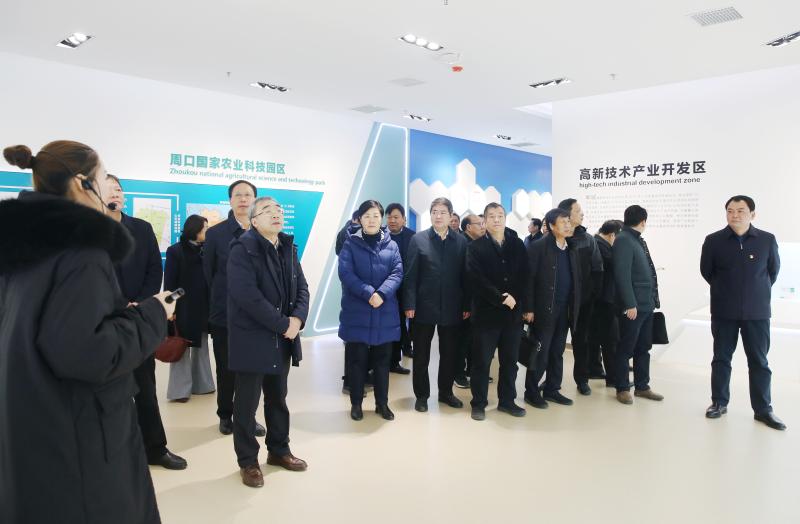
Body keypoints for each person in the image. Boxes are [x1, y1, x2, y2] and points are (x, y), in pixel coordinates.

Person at [0, 141, 175, 523]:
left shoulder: (19, 250)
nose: (108, 189)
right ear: (82, 184)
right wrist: (153, 313)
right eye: (103, 178)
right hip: (80, 433)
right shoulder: (82, 252)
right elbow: (89, 352)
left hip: (33, 417)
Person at [227, 196, 310, 488]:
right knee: (246, 404)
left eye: (279, 209)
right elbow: (247, 296)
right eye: (267, 210)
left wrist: (297, 319)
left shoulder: (287, 247)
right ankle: (248, 461)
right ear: (254, 220)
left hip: (282, 339)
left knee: (278, 398)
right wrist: (284, 324)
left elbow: (302, 288)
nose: (276, 214)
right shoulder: (242, 249)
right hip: (253, 337)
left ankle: (279, 450)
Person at [107, 175, 187, 470]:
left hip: (138, 319)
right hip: (103, 320)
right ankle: (113, 453)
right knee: (107, 391)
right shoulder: (87, 232)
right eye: (108, 189)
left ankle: (155, 448)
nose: (115, 194)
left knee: (145, 387)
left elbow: (155, 268)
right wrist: (119, 304)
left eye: (118, 189)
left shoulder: (141, 228)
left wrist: (140, 304)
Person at [700, 196, 785, 430]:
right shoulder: (714, 240)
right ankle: (719, 402)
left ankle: (763, 410)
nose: (734, 215)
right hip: (724, 311)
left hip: (757, 312)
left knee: (759, 361)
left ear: (752, 214)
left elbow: (772, 271)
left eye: (740, 210)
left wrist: (753, 293)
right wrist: (726, 291)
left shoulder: (767, 240)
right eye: (730, 211)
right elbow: (707, 271)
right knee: (721, 359)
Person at [203, 180, 265, 437]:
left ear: (255, 200)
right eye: (238, 195)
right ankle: (225, 415)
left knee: (252, 370)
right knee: (226, 369)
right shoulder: (216, 234)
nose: (243, 199)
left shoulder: (263, 231)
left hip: (257, 316)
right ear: (229, 200)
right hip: (225, 314)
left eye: (248, 195)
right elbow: (209, 275)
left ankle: (247, 416)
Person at [338, 200, 403, 422]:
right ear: (360, 219)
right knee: (356, 362)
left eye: (376, 215)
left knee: (382, 363)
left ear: (381, 218)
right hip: (357, 310)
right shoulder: (350, 244)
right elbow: (346, 273)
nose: (372, 220)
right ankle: (356, 404)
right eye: (367, 216)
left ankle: (381, 404)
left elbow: (397, 273)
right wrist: (368, 293)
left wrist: (382, 294)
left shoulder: (392, 245)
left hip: (384, 311)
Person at [466, 203, 531, 421]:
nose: (496, 219)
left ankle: (507, 401)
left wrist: (514, 296)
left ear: (505, 218)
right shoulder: (475, 247)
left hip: (512, 315)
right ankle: (478, 403)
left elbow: (525, 274)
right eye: (492, 216)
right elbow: (476, 279)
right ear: (484, 221)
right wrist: (500, 297)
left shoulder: (517, 244)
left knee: (510, 362)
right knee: (482, 362)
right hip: (486, 315)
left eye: (500, 215)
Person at [404, 197, 470, 412]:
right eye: (434, 212)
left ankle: (446, 393)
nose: (438, 216)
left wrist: (466, 305)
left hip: (452, 307)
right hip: (423, 307)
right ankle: (422, 396)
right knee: (421, 355)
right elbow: (410, 276)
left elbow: (465, 276)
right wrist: (409, 304)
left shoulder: (461, 242)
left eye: (443, 212)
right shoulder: (418, 240)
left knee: (449, 354)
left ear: (451, 216)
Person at [523, 208, 582, 408]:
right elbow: (528, 279)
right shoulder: (538, 247)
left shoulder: (571, 247)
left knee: (557, 351)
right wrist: (529, 308)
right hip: (544, 309)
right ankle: (531, 392)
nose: (567, 225)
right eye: (563, 222)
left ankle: (552, 389)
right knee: (540, 352)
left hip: (565, 310)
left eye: (568, 221)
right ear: (551, 225)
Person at [613, 205, 664, 405]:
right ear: (643, 221)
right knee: (626, 348)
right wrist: (629, 304)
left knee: (643, 347)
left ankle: (642, 386)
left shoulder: (636, 240)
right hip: (634, 306)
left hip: (646, 304)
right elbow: (622, 274)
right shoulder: (624, 240)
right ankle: (622, 388)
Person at [164, 214, 215, 402]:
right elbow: (170, 284)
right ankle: (179, 391)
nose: (208, 231)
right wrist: (171, 308)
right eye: (205, 228)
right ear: (195, 229)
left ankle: (203, 385)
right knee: (181, 347)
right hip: (183, 307)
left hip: (204, 307)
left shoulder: (208, 250)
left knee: (202, 347)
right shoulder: (175, 251)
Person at [557, 198, 603, 396]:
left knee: (581, 343)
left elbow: (597, 269)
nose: (582, 213)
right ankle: (552, 382)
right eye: (578, 210)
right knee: (555, 345)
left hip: (583, 303)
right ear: (567, 214)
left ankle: (582, 380)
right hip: (559, 303)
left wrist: (591, 296)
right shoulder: (557, 238)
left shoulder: (588, 239)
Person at [588, 220, 623, 388]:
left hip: (600, 300)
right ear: (612, 235)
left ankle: (595, 369)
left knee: (597, 338)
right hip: (604, 300)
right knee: (610, 340)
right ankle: (613, 378)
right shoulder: (601, 246)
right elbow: (613, 268)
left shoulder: (598, 243)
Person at [454, 213, 486, 389]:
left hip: (475, 301)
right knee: (462, 340)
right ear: (468, 227)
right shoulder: (462, 244)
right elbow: (464, 277)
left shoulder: (477, 244)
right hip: (464, 302)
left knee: (473, 339)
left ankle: (471, 371)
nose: (483, 226)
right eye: (479, 224)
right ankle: (458, 374)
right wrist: (466, 304)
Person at [386, 202, 414, 370]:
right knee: (394, 324)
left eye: (396, 217)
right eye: (389, 217)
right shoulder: (381, 235)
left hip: (408, 288)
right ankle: (393, 361)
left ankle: (406, 347)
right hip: (387, 289)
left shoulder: (413, 237)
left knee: (408, 322)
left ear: (404, 219)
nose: (392, 220)